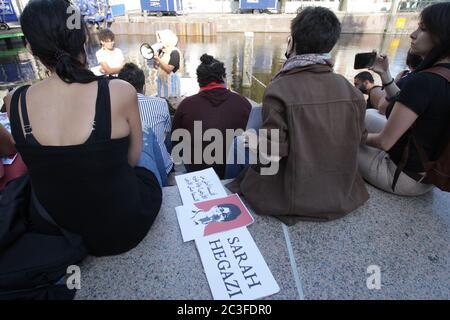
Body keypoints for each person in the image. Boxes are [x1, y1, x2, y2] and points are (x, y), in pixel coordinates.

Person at [4, 0, 162, 256]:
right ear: (83, 38)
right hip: (120, 229)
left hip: (57, 231)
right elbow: (132, 160)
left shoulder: (15, 102)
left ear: (31, 48)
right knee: (144, 142)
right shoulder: (119, 91)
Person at [227, 7, 369, 224]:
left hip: (296, 195)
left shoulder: (279, 89)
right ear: (330, 45)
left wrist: (251, 140)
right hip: (341, 193)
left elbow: (273, 153)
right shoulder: (351, 90)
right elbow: (360, 138)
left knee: (240, 146)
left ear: (292, 42)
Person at [359, 2, 450, 196]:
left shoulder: (423, 81)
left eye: (423, 28)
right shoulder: (442, 75)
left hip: (400, 177)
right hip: (427, 175)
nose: (413, 34)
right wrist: (385, 74)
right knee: (368, 116)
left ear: (442, 37)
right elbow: (407, 104)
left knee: (333, 143)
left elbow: (385, 142)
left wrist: (348, 138)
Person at [172, 54, 251, 179]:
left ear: (199, 80)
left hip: (197, 170)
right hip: (232, 170)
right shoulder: (243, 103)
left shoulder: (186, 105)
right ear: (223, 77)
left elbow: (176, 141)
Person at [118, 63, 174, 175]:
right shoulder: (161, 103)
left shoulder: (113, 108)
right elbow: (166, 134)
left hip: (129, 170)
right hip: (163, 168)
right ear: (144, 87)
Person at [153, 30, 182, 107]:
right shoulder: (162, 51)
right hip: (162, 85)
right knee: (162, 105)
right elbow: (156, 66)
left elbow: (169, 69)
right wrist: (155, 61)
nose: (160, 41)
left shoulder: (175, 52)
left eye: (161, 39)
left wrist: (158, 59)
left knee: (172, 107)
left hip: (171, 87)